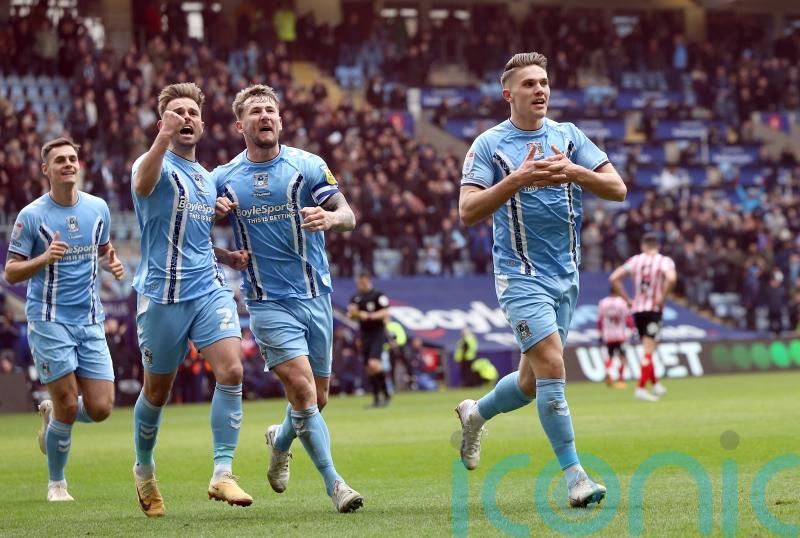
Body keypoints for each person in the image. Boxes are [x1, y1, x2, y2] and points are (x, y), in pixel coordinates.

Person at [454, 52, 626, 508]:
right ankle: (575, 477)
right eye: (529, 84)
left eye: (544, 82)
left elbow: (618, 189)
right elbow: (468, 211)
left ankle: (476, 413)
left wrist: (573, 172)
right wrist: (518, 179)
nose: (540, 90)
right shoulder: (489, 146)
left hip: (565, 277)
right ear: (508, 94)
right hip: (519, 276)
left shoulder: (569, 138)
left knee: (531, 384)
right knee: (553, 365)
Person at [214, 84, 363, 513]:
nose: (265, 116)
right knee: (301, 390)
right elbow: (187, 234)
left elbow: (349, 216)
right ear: (240, 124)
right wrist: (222, 245)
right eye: (256, 111)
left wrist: (330, 217)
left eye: (271, 110)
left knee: (317, 398)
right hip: (265, 300)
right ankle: (336, 485)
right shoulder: (223, 178)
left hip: (316, 295)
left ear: (280, 119)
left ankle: (279, 442)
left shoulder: (307, 165)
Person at [130, 82, 252, 517]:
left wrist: (227, 256)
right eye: (176, 112)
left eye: (192, 112)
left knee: (232, 369)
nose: (186, 118)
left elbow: (193, 239)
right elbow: (144, 185)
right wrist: (161, 138)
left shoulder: (206, 178)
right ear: (163, 121)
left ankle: (222, 472)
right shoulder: (151, 165)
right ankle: (143, 467)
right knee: (157, 392)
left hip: (208, 288)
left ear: (202, 124)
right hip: (161, 296)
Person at [4, 137, 125, 502]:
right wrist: (44, 259)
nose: (69, 164)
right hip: (49, 320)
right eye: (60, 160)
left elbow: (103, 248)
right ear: (46, 170)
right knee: (70, 405)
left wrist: (111, 262)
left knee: (102, 408)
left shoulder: (98, 208)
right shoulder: (32, 216)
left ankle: (52, 417)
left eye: (73, 158)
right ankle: (57, 483)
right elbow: (10, 272)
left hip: (90, 319)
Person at [609, 233, 677, 402]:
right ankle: (640, 389)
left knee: (647, 348)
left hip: (637, 310)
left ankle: (655, 384)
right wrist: (663, 297)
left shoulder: (635, 260)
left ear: (643, 246)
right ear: (657, 246)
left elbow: (614, 278)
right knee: (649, 350)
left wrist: (627, 300)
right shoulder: (664, 261)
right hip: (653, 310)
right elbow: (671, 278)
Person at [348, 273, 391, 407]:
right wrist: (355, 314)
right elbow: (351, 315)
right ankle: (377, 398)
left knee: (374, 364)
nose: (360, 285)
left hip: (377, 333)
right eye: (358, 283)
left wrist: (370, 316)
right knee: (369, 368)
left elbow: (386, 312)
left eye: (362, 282)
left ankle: (386, 393)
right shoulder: (356, 297)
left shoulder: (378, 295)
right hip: (364, 334)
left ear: (367, 280)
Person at [597, 288, 633, 388]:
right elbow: (628, 318)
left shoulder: (603, 302)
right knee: (622, 357)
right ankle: (621, 380)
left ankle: (608, 372)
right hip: (621, 335)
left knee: (610, 356)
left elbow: (600, 320)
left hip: (608, 335)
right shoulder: (622, 302)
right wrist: (630, 330)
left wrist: (600, 334)